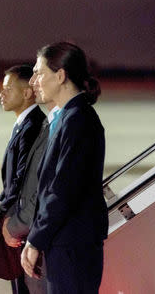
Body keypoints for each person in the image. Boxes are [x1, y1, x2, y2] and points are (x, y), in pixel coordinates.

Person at [21, 42, 109, 294]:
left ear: (60, 76)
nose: (33, 81)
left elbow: (62, 189)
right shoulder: (67, 118)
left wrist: (36, 240)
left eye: (39, 73)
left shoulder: (78, 120)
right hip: (66, 242)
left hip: (73, 246)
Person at [3, 85, 58, 294]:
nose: (34, 82)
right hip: (29, 230)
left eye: (39, 73)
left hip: (36, 233)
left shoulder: (45, 124)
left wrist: (14, 224)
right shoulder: (47, 122)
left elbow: (47, 190)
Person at [0, 65, 46, 210]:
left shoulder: (33, 127)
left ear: (27, 93)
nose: (1, 94)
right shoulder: (24, 124)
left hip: (21, 215)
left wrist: (3, 208)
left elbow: (24, 179)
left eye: (8, 89)